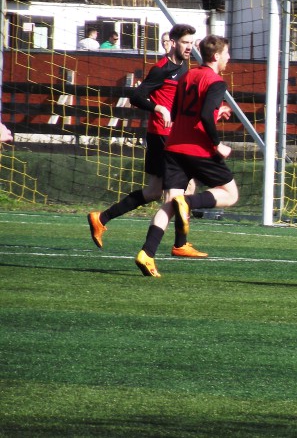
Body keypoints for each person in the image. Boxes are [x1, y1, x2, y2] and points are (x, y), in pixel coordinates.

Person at [88, 24, 207, 257]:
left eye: (191, 43)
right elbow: (136, 96)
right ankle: (179, 244)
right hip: (163, 136)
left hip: (167, 136)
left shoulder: (184, 67)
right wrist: (158, 108)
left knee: (154, 191)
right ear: (173, 42)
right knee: (183, 189)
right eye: (185, 43)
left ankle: (101, 218)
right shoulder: (162, 69)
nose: (189, 48)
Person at [134, 35, 239, 277]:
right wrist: (218, 144)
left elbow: (180, 111)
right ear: (216, 56)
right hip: (198, 149)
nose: (229, 57)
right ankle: (188, 202)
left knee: (169, 204)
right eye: (226, 53)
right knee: (230, 194)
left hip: (173, 146)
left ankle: (147, 253)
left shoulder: (187, 76)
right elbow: (204, 115)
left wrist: (215, 112)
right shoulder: (216, 82)